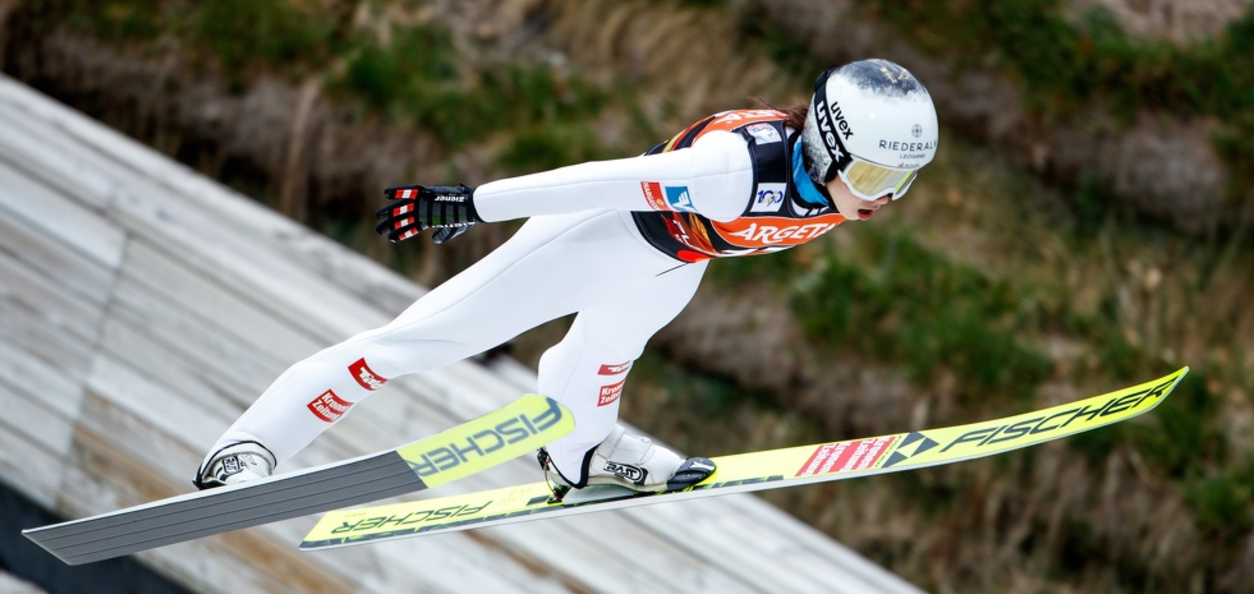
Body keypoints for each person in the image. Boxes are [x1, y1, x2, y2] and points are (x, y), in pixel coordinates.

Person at [194, 58, 940, 497]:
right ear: (828, 144)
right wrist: (469, 203)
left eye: (903, 181)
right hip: (596, 238)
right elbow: (597, 181)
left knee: (605, 365)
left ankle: (582, 453)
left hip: (674, 263)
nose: (883, 196)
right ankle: (250, 447)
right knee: (415, 342)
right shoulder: (731, 171)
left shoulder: (837, 188)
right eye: (876, 173)